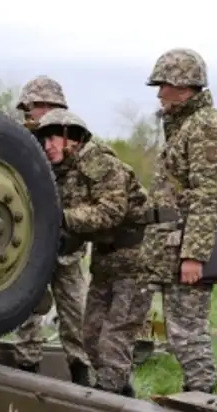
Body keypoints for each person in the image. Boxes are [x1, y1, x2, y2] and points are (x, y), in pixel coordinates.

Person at [33, 109, 153, 397]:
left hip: (135, 260)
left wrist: (62, 218)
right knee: (90, 336)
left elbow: (110, 212)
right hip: (105, 261)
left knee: (115, 338)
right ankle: (120, 392)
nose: (47, 146)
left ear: (71, 137)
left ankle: (107, 397)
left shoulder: (98, 162)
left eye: (52, 139)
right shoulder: (64, 173)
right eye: (43, 140)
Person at [139, 48, 217, 393]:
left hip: (186, 245)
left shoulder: (206, 126)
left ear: (183, 87)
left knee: (186, 333)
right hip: (172, 243)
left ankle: (202, 396)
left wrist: (193, 255)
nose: (159, 94)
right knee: (179, 330)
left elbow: (209, 195)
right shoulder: (185, 125)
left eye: (163, 85)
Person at [12, 75, 92, 386]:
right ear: (27, 109)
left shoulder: (75, 141)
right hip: (28, 245)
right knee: (28, 312)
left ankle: (82, 374)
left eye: (51, 106)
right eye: (38, 106)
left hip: (66, 246)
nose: (44, 112)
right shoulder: (17, 142)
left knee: (75, 313)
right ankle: (26, 368)